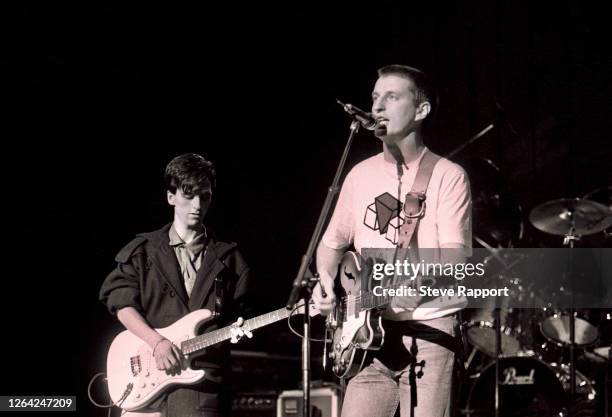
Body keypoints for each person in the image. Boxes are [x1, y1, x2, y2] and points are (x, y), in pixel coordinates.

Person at [313, 65, 472, 417]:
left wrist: (418, 283)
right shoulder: (359, 174)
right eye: (374, 98)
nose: (377, 106)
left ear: (421, 110)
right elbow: (330, 244)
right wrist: (325, 282)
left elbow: (456, 258)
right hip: (365, 337)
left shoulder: (448, 176)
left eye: (391, 97)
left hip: (430, 332)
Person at [100, 153, 253, 417]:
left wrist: (239, 329)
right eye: (188, 195)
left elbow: (241, 317)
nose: (197, 204)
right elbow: (121, 302)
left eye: (204, 196)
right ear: (171, 197)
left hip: (199, 390)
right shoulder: (143, 251)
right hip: (143, 384)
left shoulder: (231, 259)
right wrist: (156, 342)